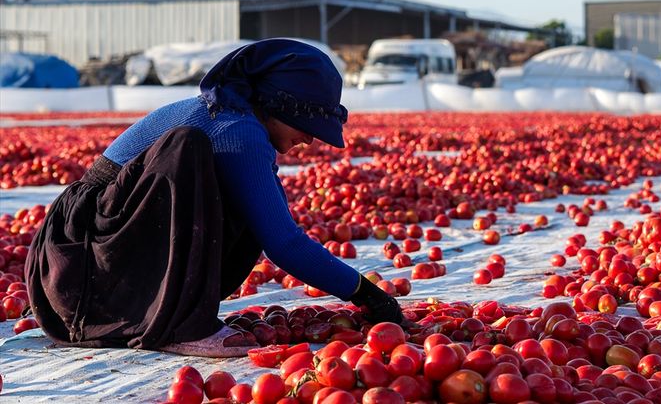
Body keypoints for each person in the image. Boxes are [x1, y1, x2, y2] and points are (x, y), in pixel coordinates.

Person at [25, 39, 403, 357]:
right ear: (277, 105)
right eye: (308, 125)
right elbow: (283, 242)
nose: (311, 138)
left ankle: (165, 311)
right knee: (185, 149)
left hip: (81, 264)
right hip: (84, 262)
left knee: (252, 202)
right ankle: (177, 325)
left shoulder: (234, 116)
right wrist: (363, 292)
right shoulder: (235, 128)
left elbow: (271, 222)